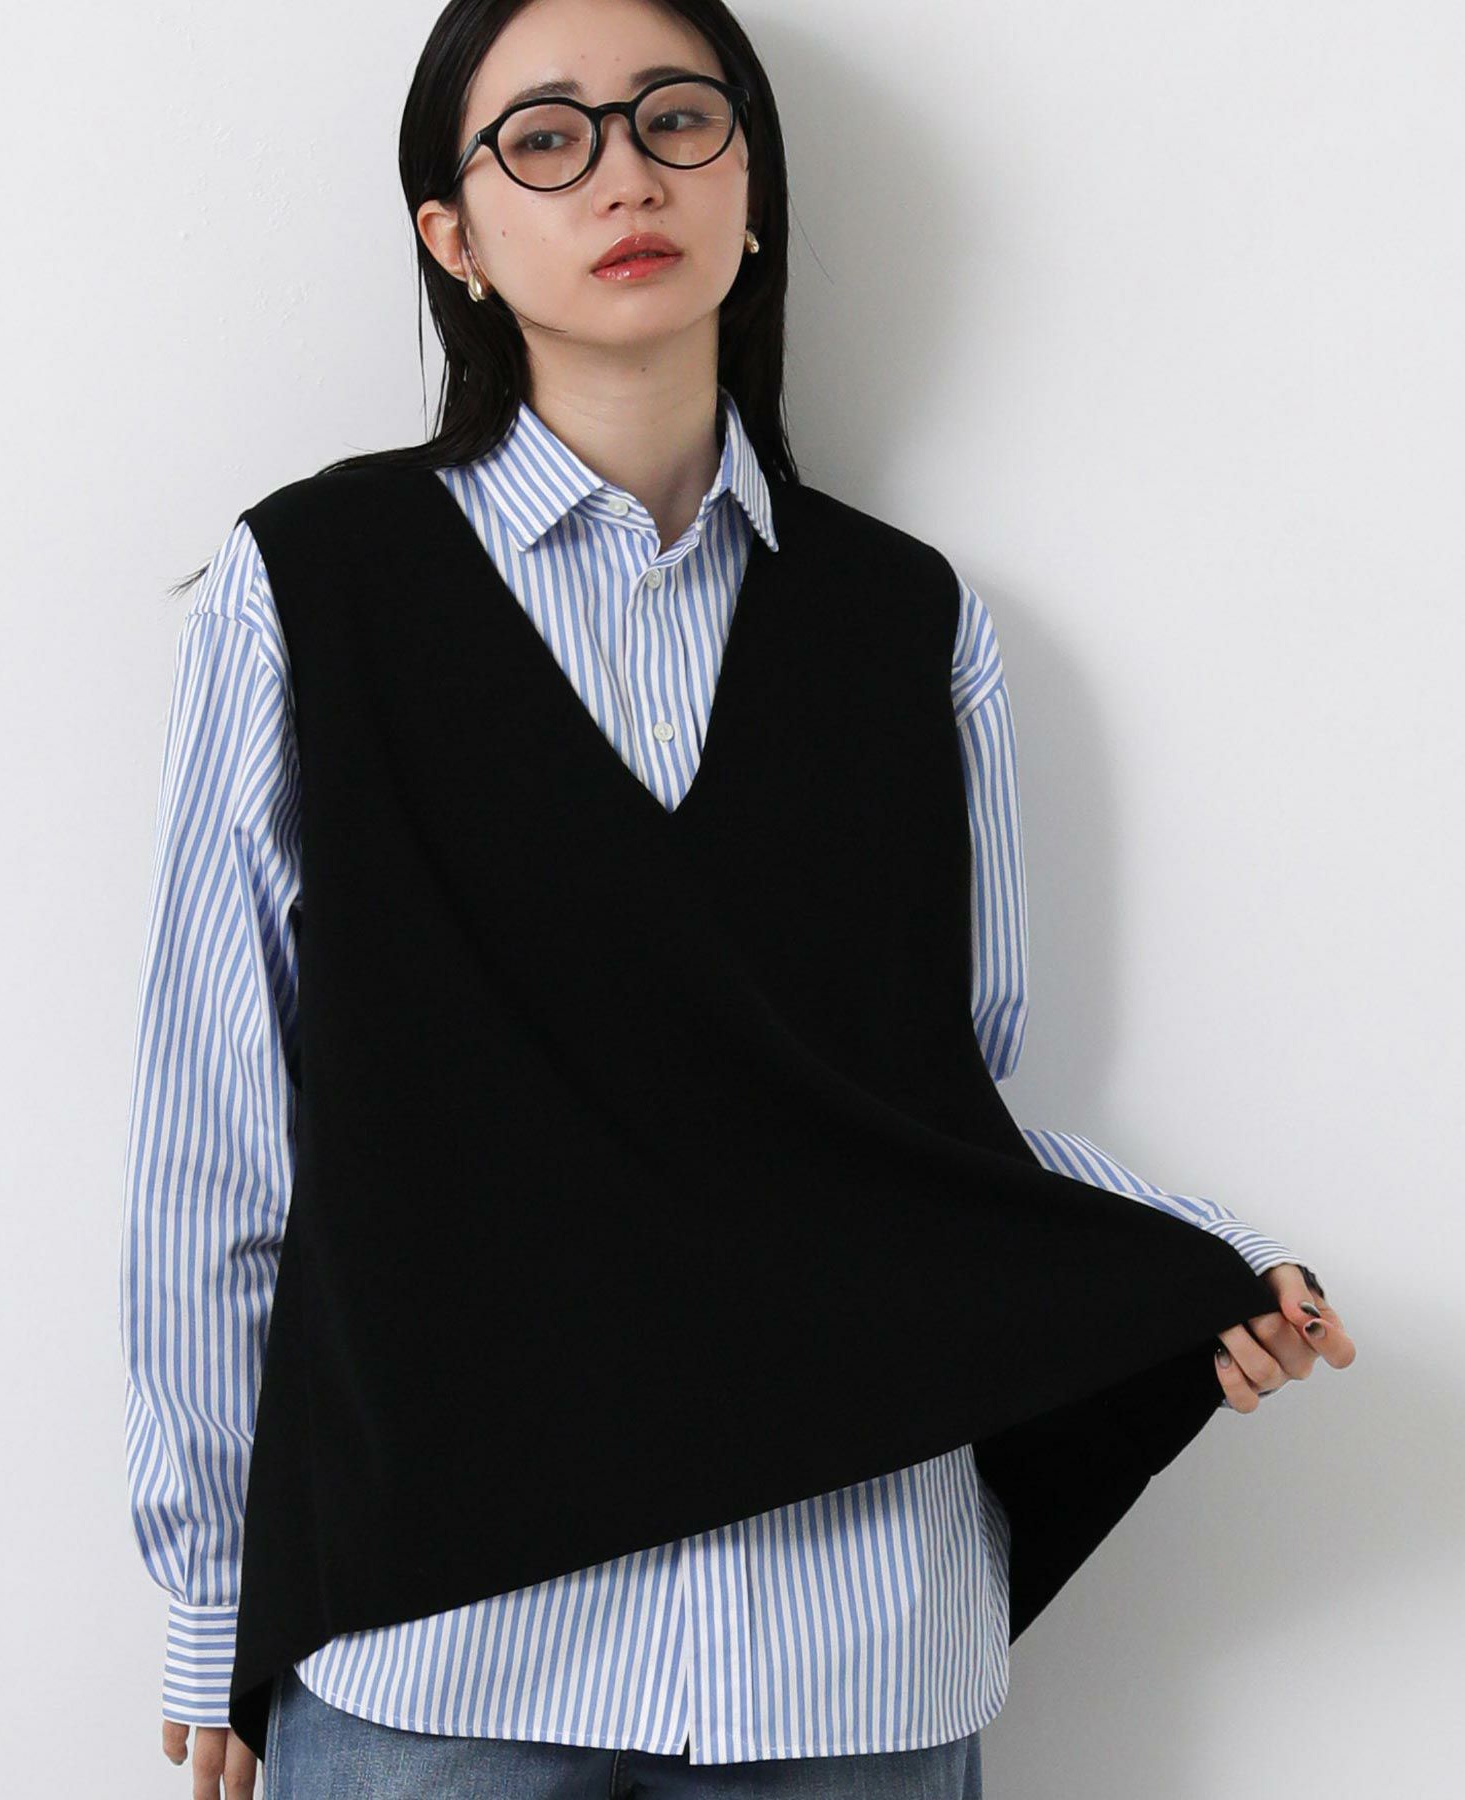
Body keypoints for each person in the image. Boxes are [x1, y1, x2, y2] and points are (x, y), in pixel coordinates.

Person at [118, 1, 1355, 1795]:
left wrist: (1190, 1271)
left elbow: (922, 1128)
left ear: (750, 186)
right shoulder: (312, 588)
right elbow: (218, 1133)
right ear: (454, 237)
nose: (625, 174)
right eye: (548, 138)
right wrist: (216, 1596)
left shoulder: (906, 624)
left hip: (850, 1654)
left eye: (677, 119)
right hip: (444, 1642)